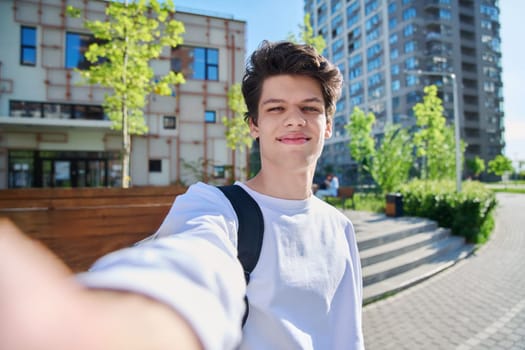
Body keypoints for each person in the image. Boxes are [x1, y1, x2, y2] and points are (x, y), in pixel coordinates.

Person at [0, 41, 364, 350]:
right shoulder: (214, 207)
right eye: (276, 108)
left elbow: (348, 337)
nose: (294, 119)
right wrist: (129, 318)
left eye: (309, 108)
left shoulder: (340, 227)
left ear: (328, 124)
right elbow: (194, 263)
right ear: (254, 125)